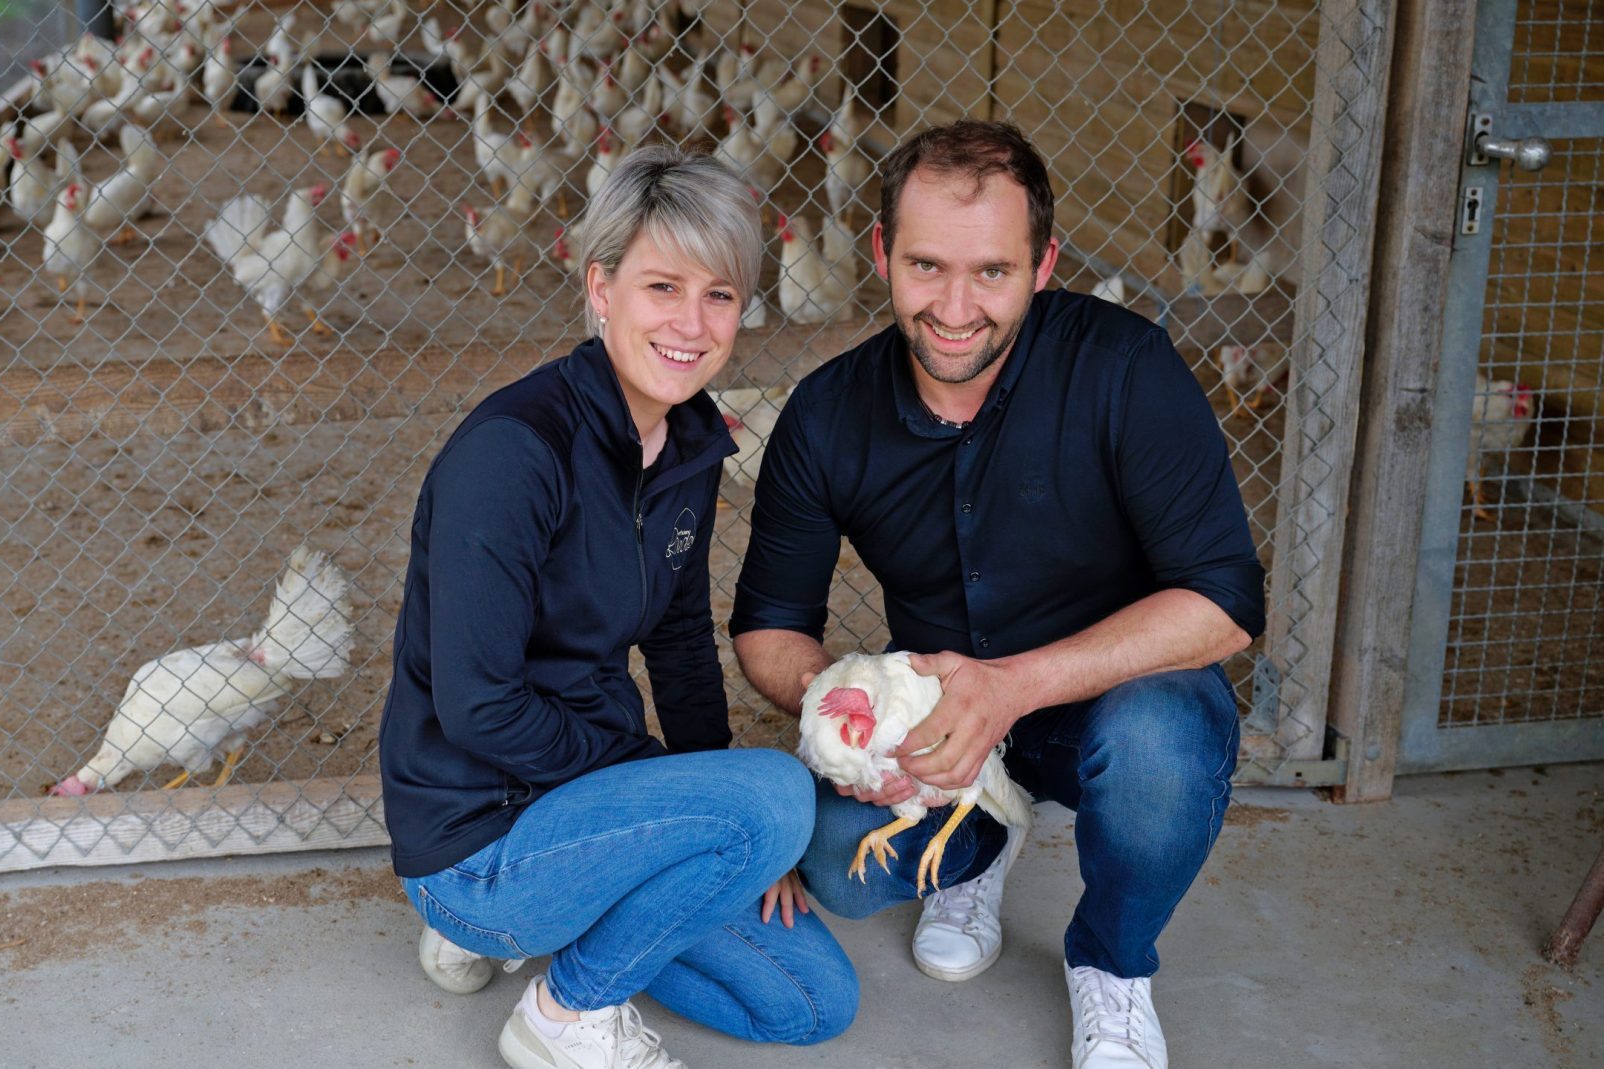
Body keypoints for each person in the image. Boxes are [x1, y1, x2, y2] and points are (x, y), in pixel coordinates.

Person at [730, 119, 1265, 1069]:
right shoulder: (826, 413)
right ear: (883, 254)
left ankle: (1111, 962)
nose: (955, 307)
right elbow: (771, 628)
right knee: (835, 862)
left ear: (1044, 262)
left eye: (993, 272)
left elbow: (1223, 601)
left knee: (1161, 747)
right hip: (937, 732)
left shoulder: (1126, 368)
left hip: (1113, 704)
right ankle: (975, 849)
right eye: (927, 266)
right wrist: (858, 717)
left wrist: (1009, 687)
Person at [379, 145, 858, 1069]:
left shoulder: (688, 439)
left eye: (719, 294)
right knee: (778, 792)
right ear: (601, 288)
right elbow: (476, 705)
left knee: (809, 1003)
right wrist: (705, 797)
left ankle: (568, 925)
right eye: (661, 287)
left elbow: (678, 638)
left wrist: (722, 819)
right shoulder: (513, 454)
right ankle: (560, 1011)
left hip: (588, 806)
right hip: (477, 839)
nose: (692, 322)